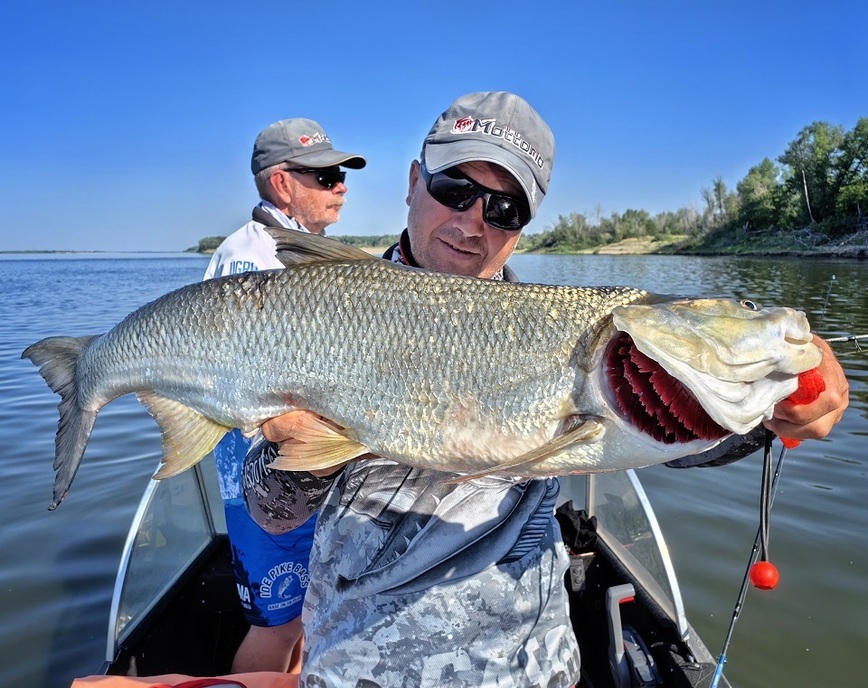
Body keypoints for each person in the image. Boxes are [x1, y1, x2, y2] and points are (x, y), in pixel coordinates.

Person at [242, 92, 850, 687]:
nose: (472, 223)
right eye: (455, 190)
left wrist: (778, 400)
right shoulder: (318, 312)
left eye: (504, 209)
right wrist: (305, 454)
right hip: (361, 670)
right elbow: (270, 515)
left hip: (535, 669)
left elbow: (667, 431)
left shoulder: (570, 331)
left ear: (524, 227)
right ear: (413, 182)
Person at [203, 117, 366, 672]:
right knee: (276, 627)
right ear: (281, 183)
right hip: (265, 478)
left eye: (341, 174)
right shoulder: (253, 259)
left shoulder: (302, 251)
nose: (341, 186)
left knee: (305, 617)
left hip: (306, 470)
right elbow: (250, 381)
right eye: (326, 175)